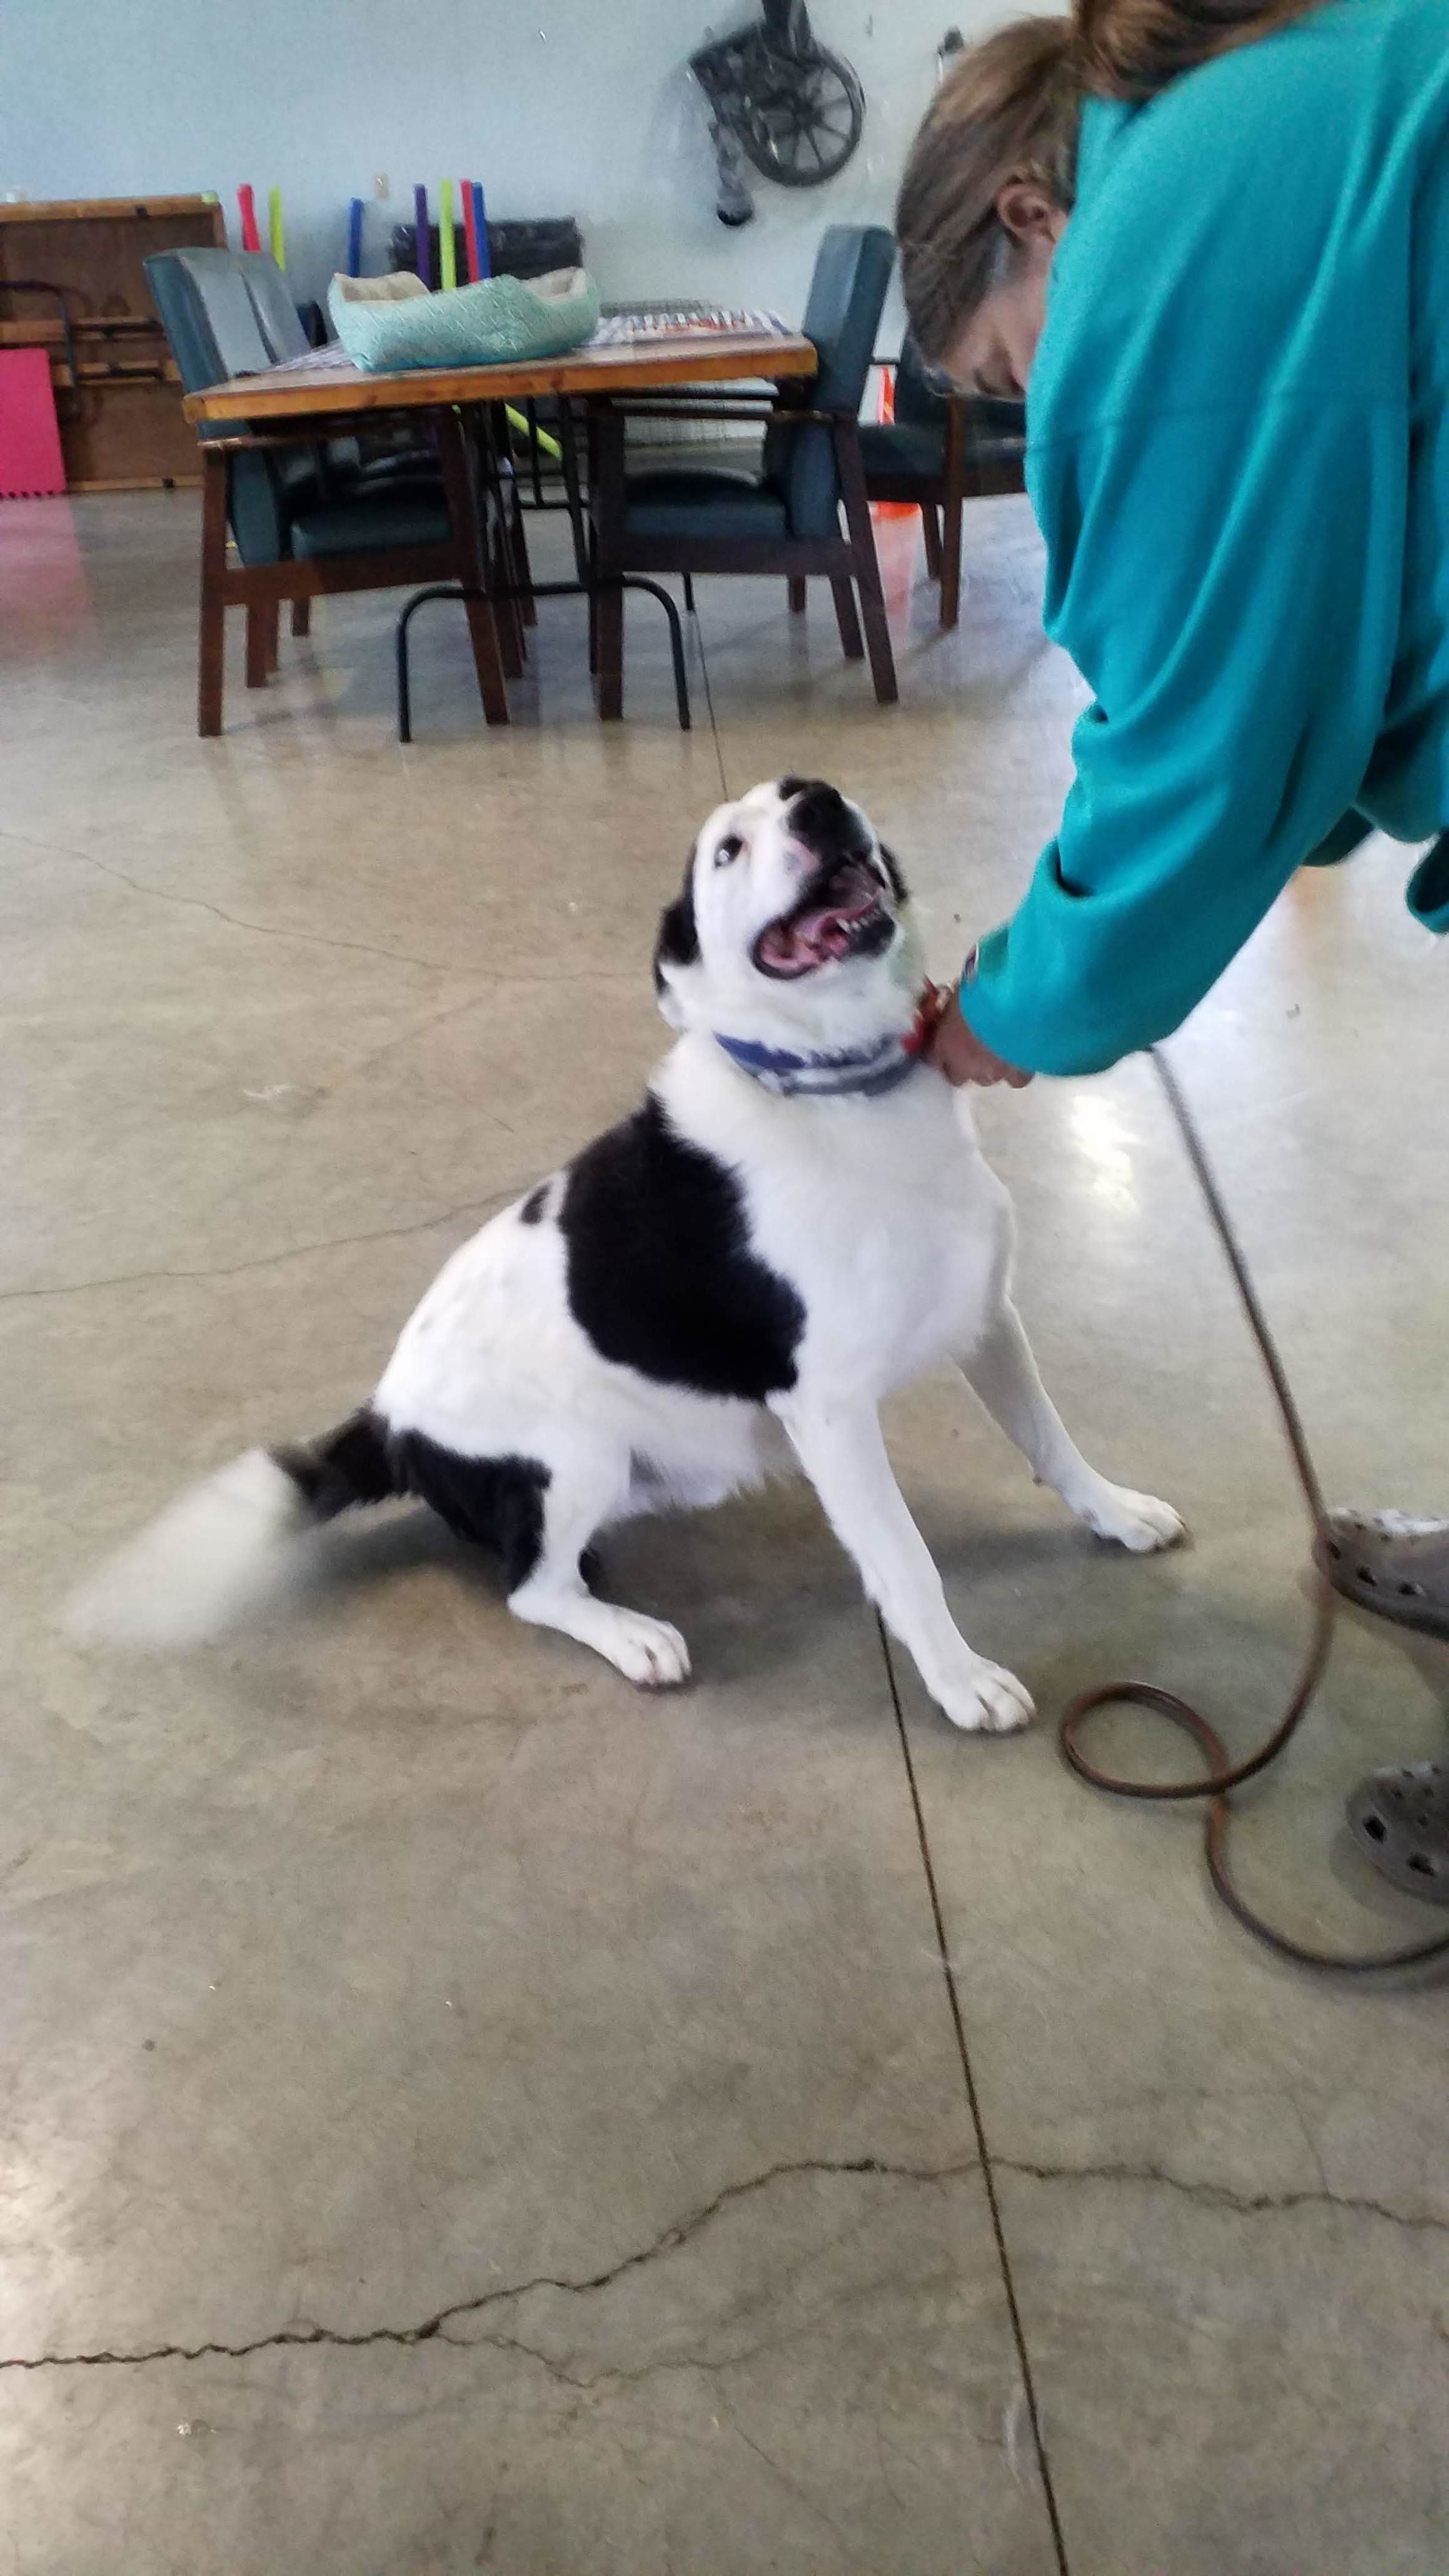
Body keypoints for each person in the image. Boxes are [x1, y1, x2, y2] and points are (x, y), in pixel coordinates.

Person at [895, 0, 1449, 1895]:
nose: (1037, 401)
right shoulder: (1256, 115)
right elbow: (1311, 655)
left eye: (1003, 362)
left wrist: (1009, 1014)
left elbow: (1194, 762)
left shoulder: (1149, 262)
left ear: (1031, 219)